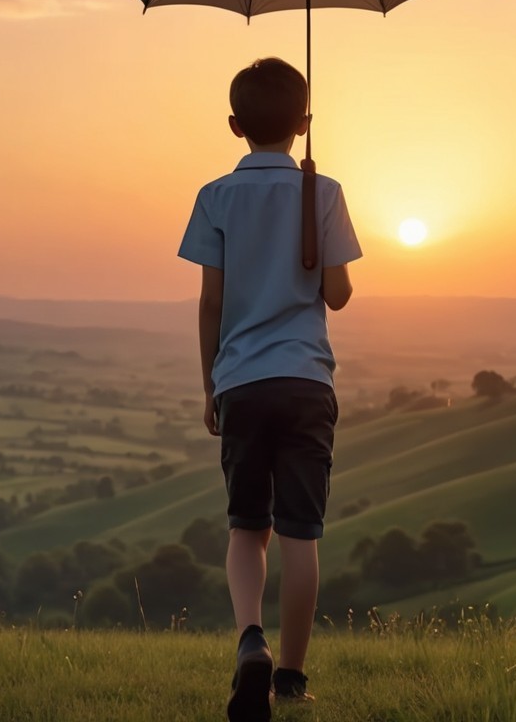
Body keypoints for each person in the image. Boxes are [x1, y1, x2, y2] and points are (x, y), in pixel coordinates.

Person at [178, 57, 362, 722]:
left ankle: (249, 638)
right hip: (306, 380)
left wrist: (210, 388)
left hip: (242, 382)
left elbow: (210, 304)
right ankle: (290, 678)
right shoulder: (326, 192)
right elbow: (338, 296)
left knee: (246, 526)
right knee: (300, 534)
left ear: (235, 125)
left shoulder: (215, 197)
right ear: (305, 122)